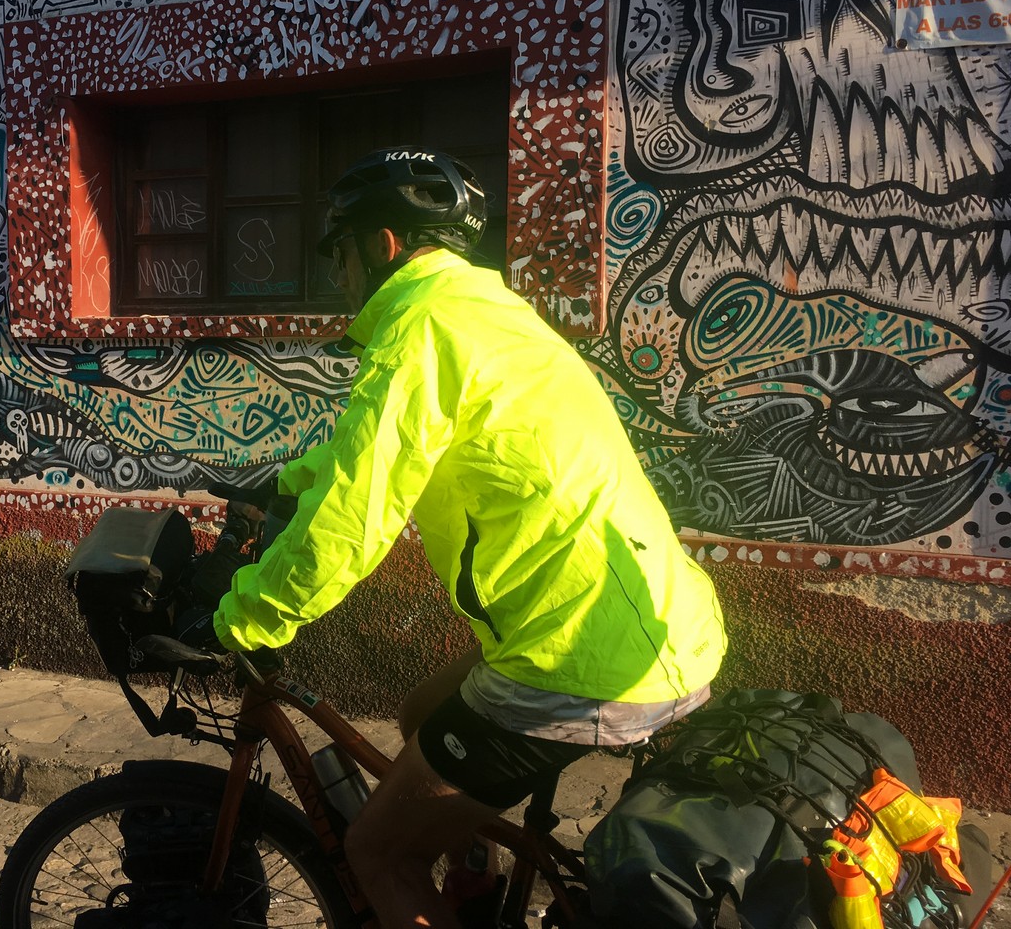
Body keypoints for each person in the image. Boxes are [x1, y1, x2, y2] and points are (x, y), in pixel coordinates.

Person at [184, 145, 727, 929]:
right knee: (419, 716)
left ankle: (423, 880)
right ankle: (476, 888)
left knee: (379, 851)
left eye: (339, 253)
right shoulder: (483, 311)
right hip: (658, 625)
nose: (338, 274)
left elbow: (355, 514)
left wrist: (246, 619)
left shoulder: (419, 329)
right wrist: (285, 486)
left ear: (382, 245)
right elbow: (371, 456)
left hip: (576, 659)